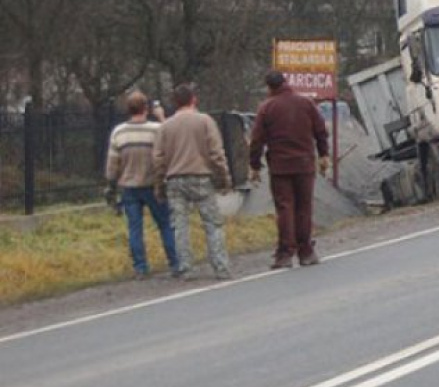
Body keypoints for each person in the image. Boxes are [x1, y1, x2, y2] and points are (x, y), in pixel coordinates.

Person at [248, 71, 330, 269]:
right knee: (304, 207)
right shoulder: (306, 103)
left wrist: (255, 165)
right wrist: (324, 155)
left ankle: (285, 254)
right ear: (285, 82)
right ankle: (306, 252)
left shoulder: (266, 108)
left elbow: (257, 140)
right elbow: (320, 131)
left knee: (285, 208)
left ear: (269, 87)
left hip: (280, 166)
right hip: (304, 163)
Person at [153, 83, 233, 280]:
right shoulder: (205, 121)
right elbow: (216, 153)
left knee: (179, 225)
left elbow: (158, 159)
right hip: (201, 177)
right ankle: (221, 266)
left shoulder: (165, 127)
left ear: (174, 102)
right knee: (212, 223)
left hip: (174, 179)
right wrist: (224, 177)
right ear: (193, 99)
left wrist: (159, 184)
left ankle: (186, 268)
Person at [105, 91, 176, 278]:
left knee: (135, 228)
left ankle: (140, 267)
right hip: (154, 185)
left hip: (129, 186)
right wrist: (161, 117)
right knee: (165, 224)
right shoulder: (155, 130)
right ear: (146, 108)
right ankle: (175, 262)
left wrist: (111, 186)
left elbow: (113, 164)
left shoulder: (119, 132)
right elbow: (168, 145)